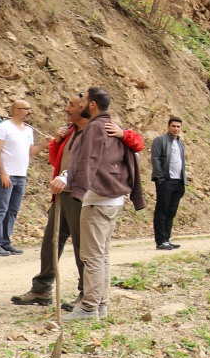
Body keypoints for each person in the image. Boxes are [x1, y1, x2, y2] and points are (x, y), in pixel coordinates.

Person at [10, 93, 141, 307]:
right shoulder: (71, 132)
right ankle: (42, 289)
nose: (67, 108)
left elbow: (135, 144)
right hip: (62, 192)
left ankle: (85, 294)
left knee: (85, 248)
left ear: (87, 106)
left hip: (84, 195)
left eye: (72, 104)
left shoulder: (102, 128)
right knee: (51, 241)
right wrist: (57, 142)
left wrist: (125, 133)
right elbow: (57, 161)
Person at [56, 87, 143, 320]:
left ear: (92, 104)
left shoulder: (95, 127)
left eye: (83, 100)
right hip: (113, 200)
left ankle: (88, 307)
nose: (80, 103)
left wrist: (68, 180)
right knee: (101, 254)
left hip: (98, 200)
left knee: (92, 255)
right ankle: (100, 304)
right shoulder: (112, 126)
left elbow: (87, 159)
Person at [0, 97, 44, 256]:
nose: (29, 112)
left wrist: (44, 144)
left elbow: (29, 152)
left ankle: (4, 242)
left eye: (30, 109)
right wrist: (3, 173)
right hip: (7, 173)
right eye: (26, 109)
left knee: (12, 210)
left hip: (21, 174)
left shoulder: (28, 130)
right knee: (1, 209)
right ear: (16, 110)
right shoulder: (3, 128)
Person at [150, 116, 188, 250]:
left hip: (178, 182)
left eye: (178, 127)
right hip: (165, 181)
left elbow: (182, 163)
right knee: (162, 210)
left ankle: (166, 238)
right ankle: (160, 241)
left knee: (171, 211)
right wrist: (160, 178)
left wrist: (184, 181)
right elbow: (155, 159)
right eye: (173, 126)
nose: (176, 129)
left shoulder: (180, 144)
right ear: (168, 127)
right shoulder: (160, 140)